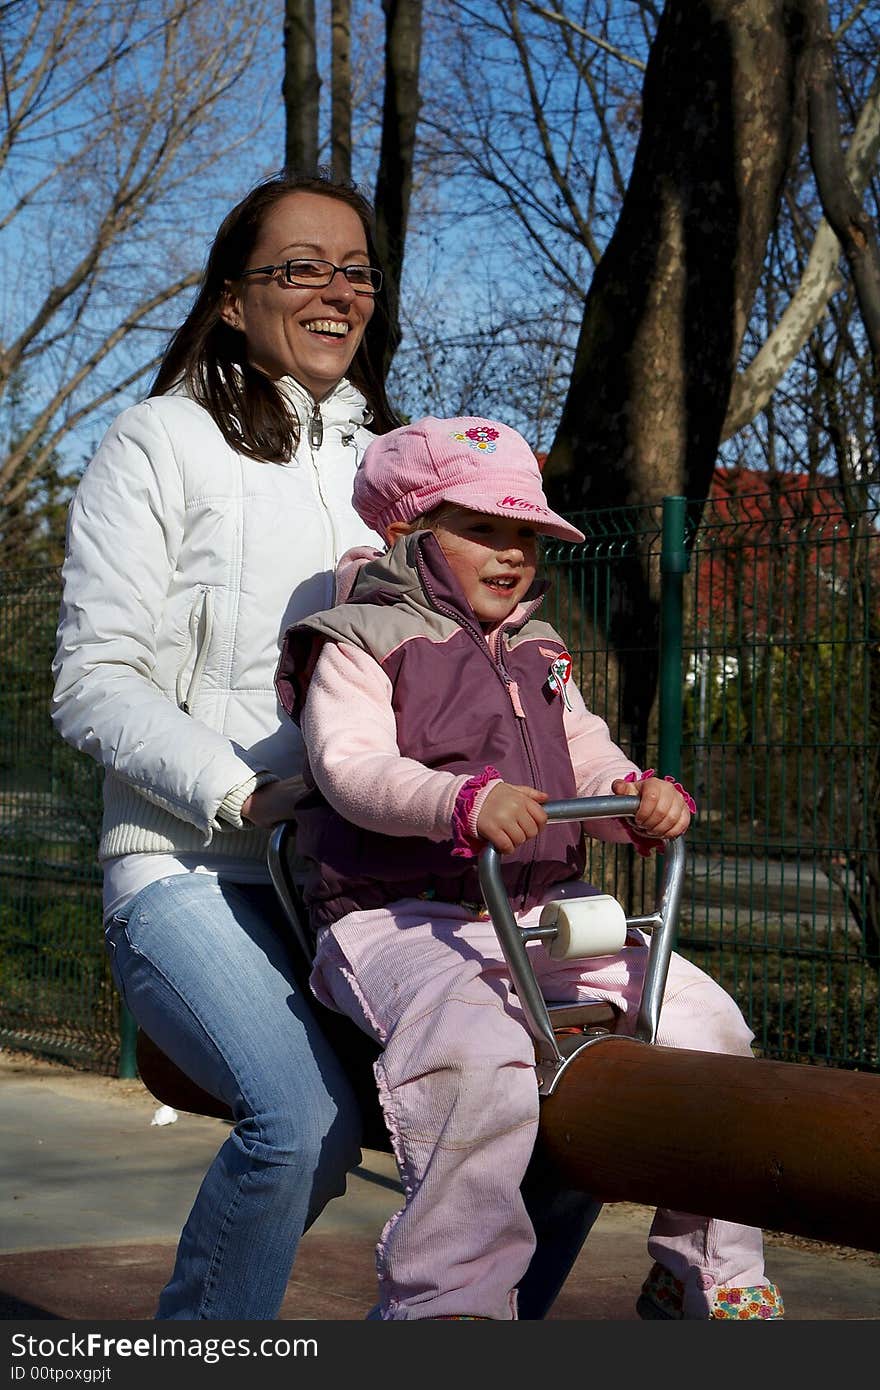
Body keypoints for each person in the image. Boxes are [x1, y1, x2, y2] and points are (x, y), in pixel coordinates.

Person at [50, 173, 602, 1320]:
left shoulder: (404, 474)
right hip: (195, 869)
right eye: (299, 267)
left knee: (570, 1115)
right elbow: (93, 680)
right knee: (301, 1122)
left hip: (373, 885)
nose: (334, 290)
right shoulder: (160, 442)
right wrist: (241, 791)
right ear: (234, 298)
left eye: (353, 269)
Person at [275, 414, 785, 1322]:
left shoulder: (538, 647)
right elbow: (349, 767)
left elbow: (582, 747)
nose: (512, 554)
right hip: (405, 915)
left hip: (546, 903)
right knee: (476, 1056)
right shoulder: (359, 637)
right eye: (483, 529)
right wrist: (458, 801)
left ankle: (702, 1270)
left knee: (711, 1027)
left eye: (526, 534)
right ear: (406, 532)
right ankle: (447, 1303)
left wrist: (634, 795)